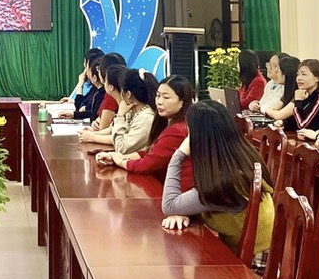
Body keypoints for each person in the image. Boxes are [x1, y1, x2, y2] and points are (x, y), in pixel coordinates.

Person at [161, 100, 275, 258]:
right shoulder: (240, 157)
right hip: (259, 253)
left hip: (253, 263)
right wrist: (185, 211)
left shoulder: (224, 182)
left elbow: (169, 206)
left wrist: (178, 155)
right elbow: (183, 204)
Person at [98, 75, 195, 189]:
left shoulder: (177, 130)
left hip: (177, 192)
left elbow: (148, 164)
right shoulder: (166, 123)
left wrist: (121, 161)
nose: (159, 102)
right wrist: (115, 157)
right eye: (158, 96)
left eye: (166, 97)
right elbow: (150, 153)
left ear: (182, 101)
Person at [262, 59, 319, 136]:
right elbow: (296, 120)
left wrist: (298, 101)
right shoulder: (306, 95)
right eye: (298, 74)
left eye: (304, 74)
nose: (299, 78)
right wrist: (284, 123)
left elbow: (302, 124)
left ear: (317, 78)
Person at [108, 70, 157, 155]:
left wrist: (120, 116)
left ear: (128, 94)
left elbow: (121, 148)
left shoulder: (145, 119)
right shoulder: (135, 112)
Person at [79, 62, 126, 140]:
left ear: (111, 87)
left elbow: (118, 139)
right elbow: (111, 129)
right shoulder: (109, 96)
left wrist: (92, 136)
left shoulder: (113, 99)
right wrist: (92, 133)